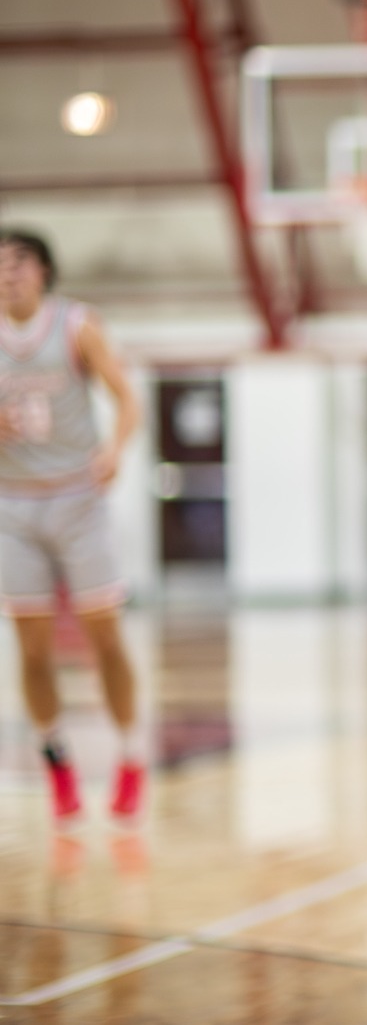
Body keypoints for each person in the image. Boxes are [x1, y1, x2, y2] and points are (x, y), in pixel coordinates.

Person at [0, 230, 145, 828]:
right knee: (31, 647)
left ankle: (131, 756)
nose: (8, 274)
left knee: (103, 636)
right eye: (0, 266)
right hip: (14, 505)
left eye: (19, 263)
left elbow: (127, 399)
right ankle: (56, 759)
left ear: (43, 272)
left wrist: (114, 449)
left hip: (78, 498)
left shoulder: (76, 325)